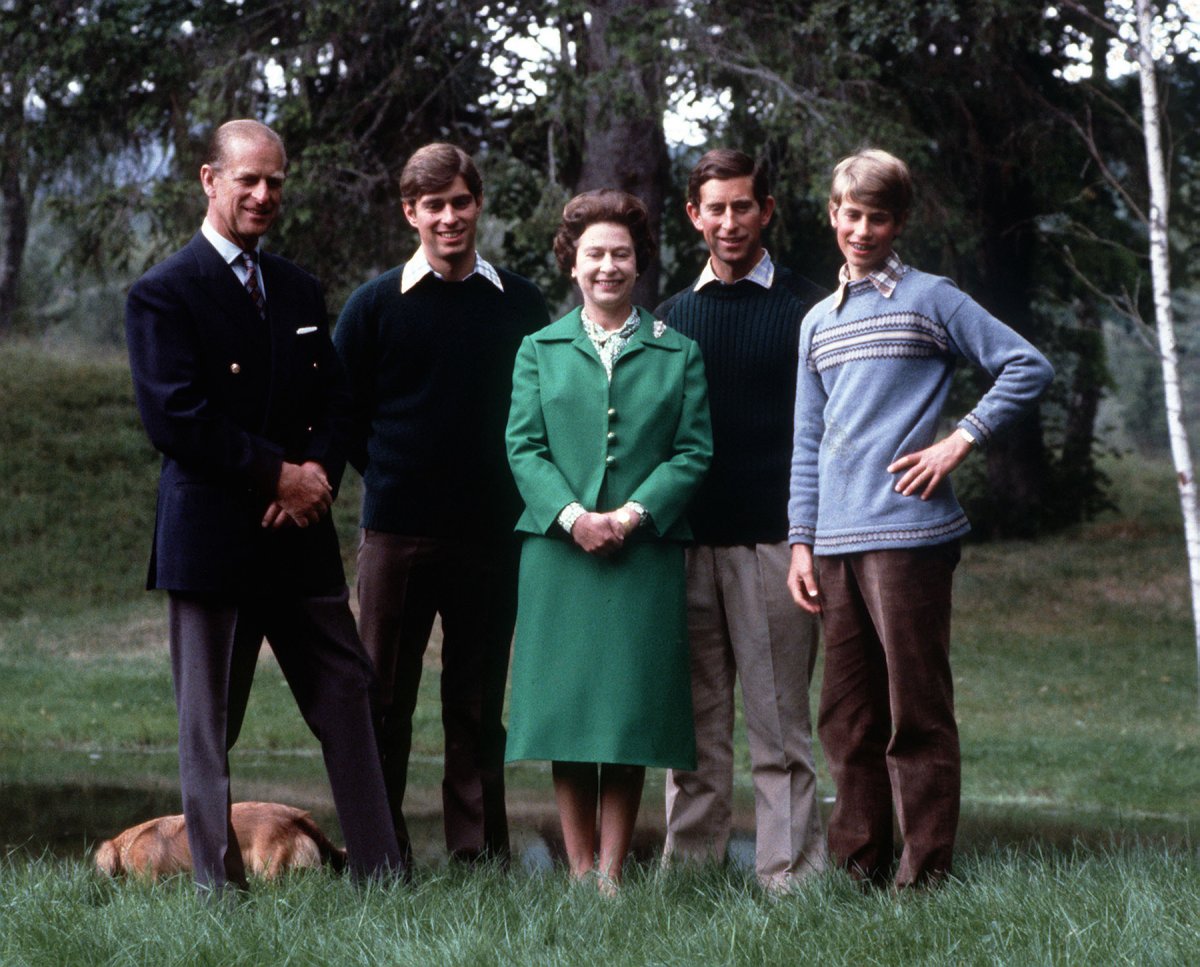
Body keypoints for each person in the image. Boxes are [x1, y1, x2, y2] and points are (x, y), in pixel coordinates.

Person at [124, 119, 404, 892]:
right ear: (210, 180)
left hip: (299, 536)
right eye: (247, 179)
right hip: (213, 542)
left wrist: (315, 474)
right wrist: (277, 475)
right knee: (209, 723)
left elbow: (338, 402)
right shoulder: (163, 293)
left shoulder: (298, 288)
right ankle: (219, 892)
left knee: (349, 694)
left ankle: (383, 876)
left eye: (274, 181)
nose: (262, 194)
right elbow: (174, 417)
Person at [787, 148, 1054, 888]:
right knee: (847, 719)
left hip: (909, 536)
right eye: (851, 215)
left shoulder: (931, 299)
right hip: (833, 542)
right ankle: (857, 870)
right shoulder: (817, 322)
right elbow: (807, 440)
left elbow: (1027, 365)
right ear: (833, 215)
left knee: (917, 711)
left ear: (898, 222)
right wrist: (801, 541)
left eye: (877, 217)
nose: (862, 230)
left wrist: (959, 440)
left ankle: (925, 875)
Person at [333, 143, 549, 866]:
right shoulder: (373, 305)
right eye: (434, 206)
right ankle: (378, 853)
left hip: (492, 533)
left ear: (477, 204)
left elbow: (541, 406)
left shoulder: (519, 302)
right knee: (382, 698)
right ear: (411, 213)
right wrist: (390, 472)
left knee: (477, 701)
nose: (449, 217)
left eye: (460, 202)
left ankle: (478, 855)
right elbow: (341, 411)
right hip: (397, 532)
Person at [505, 189, 712, 893]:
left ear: (639, 262)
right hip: (558, 553)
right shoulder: (537, 349)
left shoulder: (679, 352)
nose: (607, 266)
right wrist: (573, 517)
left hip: (642, 554)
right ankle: (579, 869)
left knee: (627, 715)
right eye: (594, 253)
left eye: (621, 253)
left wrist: (628, 516)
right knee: (567, 714)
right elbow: (523, 447)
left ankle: (612, 876)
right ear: (572, 262)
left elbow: (692, 452)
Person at [656, 148, 828, 891]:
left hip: (774, 545)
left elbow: (826, 434)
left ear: (767, 211)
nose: (729, 222)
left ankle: (789, 879)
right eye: (715, 209)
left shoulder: (809, 310)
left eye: (743, 206)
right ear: (694, 216)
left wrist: (807, 538)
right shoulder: (669, 318)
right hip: (686, 546)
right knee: (693, 730)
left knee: (779, 726)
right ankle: (690, 875)